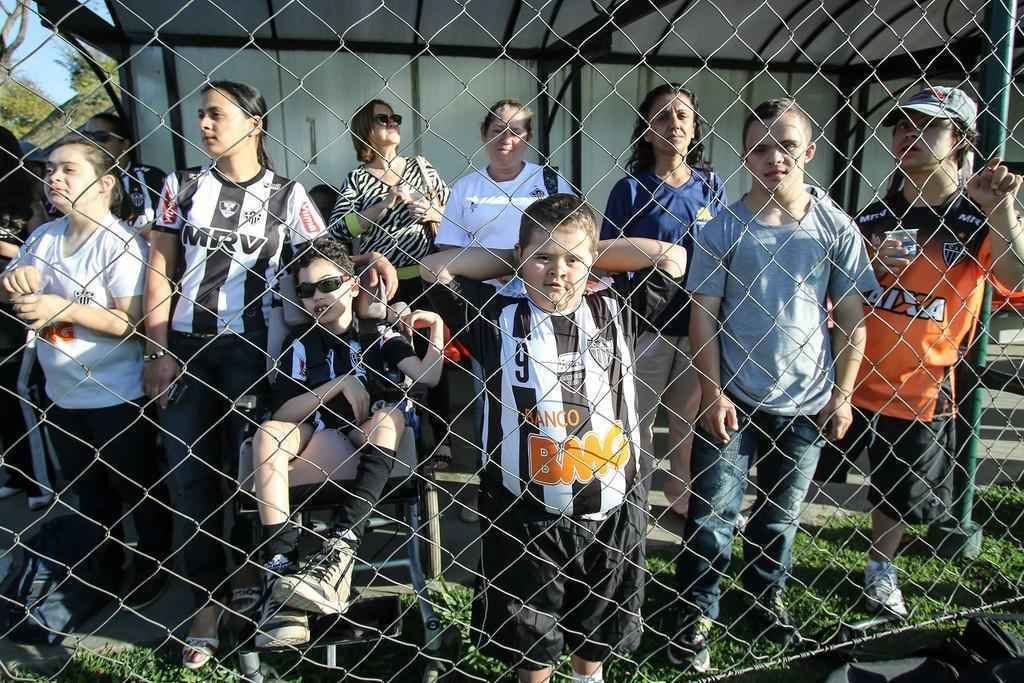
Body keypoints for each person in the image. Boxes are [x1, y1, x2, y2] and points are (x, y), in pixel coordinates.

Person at [143, 80, 396, 669]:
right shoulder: (180, 186)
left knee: (243, 472)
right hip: (185, 341)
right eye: (200, 115)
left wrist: (370, 259)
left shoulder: (287, 195)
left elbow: (324, 253)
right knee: (188, 477)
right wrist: (156, 348)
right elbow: (161, 264)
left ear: (253, 123)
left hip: (251, 348)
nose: (204, 125)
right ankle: (208, 605)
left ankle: (259, 588)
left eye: (216, 115)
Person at [421, 194, 687, 683]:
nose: (556, 272)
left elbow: (671, 257)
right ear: (520, 258)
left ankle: (589, 676)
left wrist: (583, 250)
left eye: (572, 261)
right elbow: (435, 268)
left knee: (597, 626)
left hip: (611, 510)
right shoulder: (496, 316)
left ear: (591, 265)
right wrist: (522, 253)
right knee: (531, 639)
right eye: (542, 258)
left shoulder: (616, 309)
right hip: (524, 516)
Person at [671, 99, 877, 671]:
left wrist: (843, 394)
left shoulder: (835, 227)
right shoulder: (721, 228)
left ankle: (765, 595)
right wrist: (711, 393)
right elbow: (703, 316)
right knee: (712, 513)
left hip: (808, 400)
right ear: (745, 155)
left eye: (787, 145)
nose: (774, 157)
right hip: (734, 397)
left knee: (780, 516)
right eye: (761, 147)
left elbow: (854, 316)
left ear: (809, 153)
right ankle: (697, 610)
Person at [824, 87, 1024, 619]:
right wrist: (867, 263)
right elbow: (833, 293)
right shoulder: (871, 217)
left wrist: (1002, 208)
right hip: (844, 379)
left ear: (958, 141)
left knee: (897, 493)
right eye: (902, 125)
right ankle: (772, 553)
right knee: (804, 470)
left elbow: (1015, 275)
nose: (909, 135)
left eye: (927, 127)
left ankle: (879, 567)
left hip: (918, 388)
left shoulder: (976, 217)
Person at [0, 133, 172, 608]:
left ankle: (153, 560)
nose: (54, 177)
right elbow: (15, 293)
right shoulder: (43, 237)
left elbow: (132, 322)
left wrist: (62, 309)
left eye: (68, 169)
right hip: (61, 393)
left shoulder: (117, 245)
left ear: (104, 184)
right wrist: (14, 283)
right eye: (49, 169)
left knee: (136, 486)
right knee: (90, 495)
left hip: (116, 395)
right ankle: (104, 566)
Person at [249, 238, 444, 648]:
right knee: (266, 433)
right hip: (317, 440)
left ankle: (339, 550)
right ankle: (280, 568)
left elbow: (427, 377)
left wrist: (436, 329)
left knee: (387, 416)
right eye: (305, 291)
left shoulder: (379, 334)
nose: (316, 297)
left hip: (373, 441)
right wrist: (337, 385)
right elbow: (283, 414)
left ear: (354, 285)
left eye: (327, 285)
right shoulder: (299, 346)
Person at [601, 83, 726, 516]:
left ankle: (682, 500)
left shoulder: (711, 187)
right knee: (637, 420)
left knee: (686, 422)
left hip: (699, 324)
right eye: (662, 117)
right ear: (647, 133)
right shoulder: (630, 189)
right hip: (647, 325)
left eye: (682, 116)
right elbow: (604, 254)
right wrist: (654, 254)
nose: (673, 123)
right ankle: (630, 499)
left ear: (694, 129)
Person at [329, 99, 449, 304]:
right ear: (366, 129)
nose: (392, 123)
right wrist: (382, 205)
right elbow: (337, 229)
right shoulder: (357, 178)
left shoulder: (420, 166)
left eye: (395, 119)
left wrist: (433, 213)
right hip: (380, 282)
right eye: (383, 119)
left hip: (428, 278)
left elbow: (456, 213)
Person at [435, 98, 572, 252]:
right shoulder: (465, 187)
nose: (506, 139)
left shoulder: (549, 179)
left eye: (515, 132)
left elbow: (572, 232)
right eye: (498, 130)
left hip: (538, 270)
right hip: (482, 272)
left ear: (528, 138)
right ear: (483, 133)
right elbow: (449, 245)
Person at [0, 125, 52, 510]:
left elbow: (32, 247)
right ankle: (17, 471)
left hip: (15, 303)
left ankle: (40, 480)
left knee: (22, 389)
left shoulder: (25, 192)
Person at [81, 112, 167, 232]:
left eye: (101, 137)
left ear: (125, 144)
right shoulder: (81, 184)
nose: (92, 143)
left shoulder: (151, 177)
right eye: (86, 137)